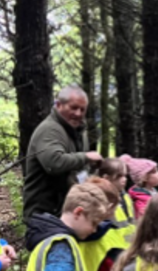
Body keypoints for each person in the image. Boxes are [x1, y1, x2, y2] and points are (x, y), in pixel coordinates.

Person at [23, 85, 103, 219]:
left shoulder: (77, 131)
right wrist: (85, 157)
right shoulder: (50, 130)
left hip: (65, 212)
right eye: (73, 107)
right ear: (59, 105)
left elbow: (75, 168)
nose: (78, 113)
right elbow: (54, 163)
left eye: (82, 109)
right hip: (44, 215)